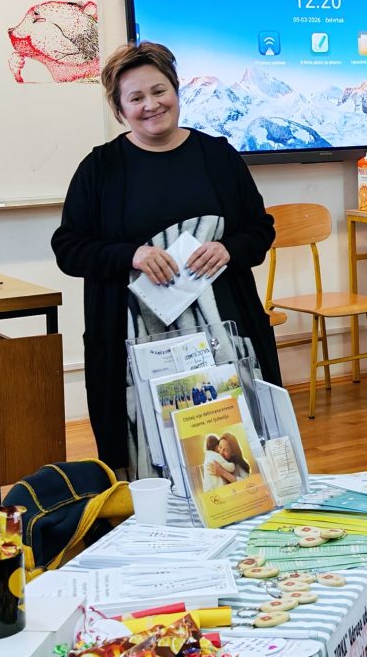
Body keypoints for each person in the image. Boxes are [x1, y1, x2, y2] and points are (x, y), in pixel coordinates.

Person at [51, 41, 282, 476]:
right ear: (120, 109)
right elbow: (68, 248)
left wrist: (229, 248)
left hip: (222, 342)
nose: (151, 105)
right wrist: (131, 255)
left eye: (159, 91)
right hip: (136, 350)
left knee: (236, 456)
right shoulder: (100, 168)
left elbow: (260, 229)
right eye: (136, 98)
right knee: (149, 459)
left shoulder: (218, 157)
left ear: (176, 90)